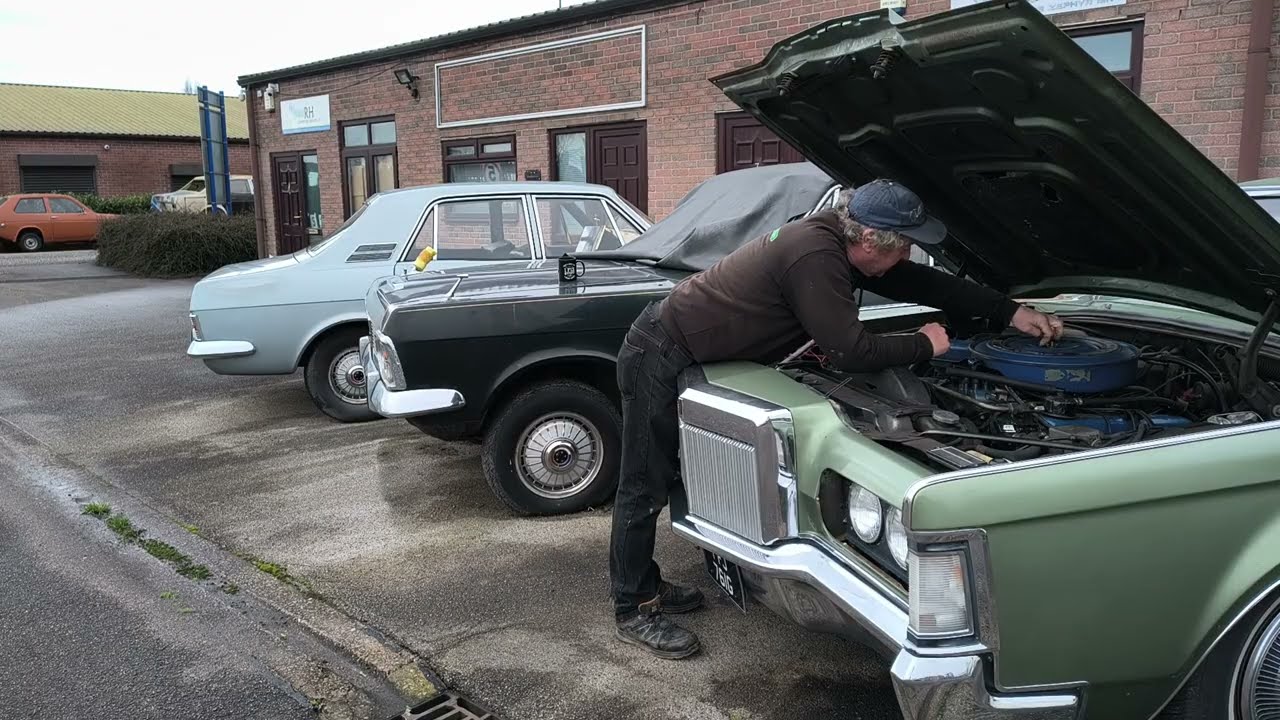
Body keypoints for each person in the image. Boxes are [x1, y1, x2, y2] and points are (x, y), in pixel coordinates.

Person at [607, 178, 1064, 659]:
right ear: (869, 240)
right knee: (644, 481)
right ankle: (633, 606)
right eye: (904, 245)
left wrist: (1007, 311)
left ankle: (645, 582)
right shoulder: (816, 256)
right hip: (658, 351)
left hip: (683, 349)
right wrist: (925, 343)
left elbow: (923, 282)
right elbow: (848, 350)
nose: (907, 256)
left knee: (658, 474)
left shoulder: (841, 240)